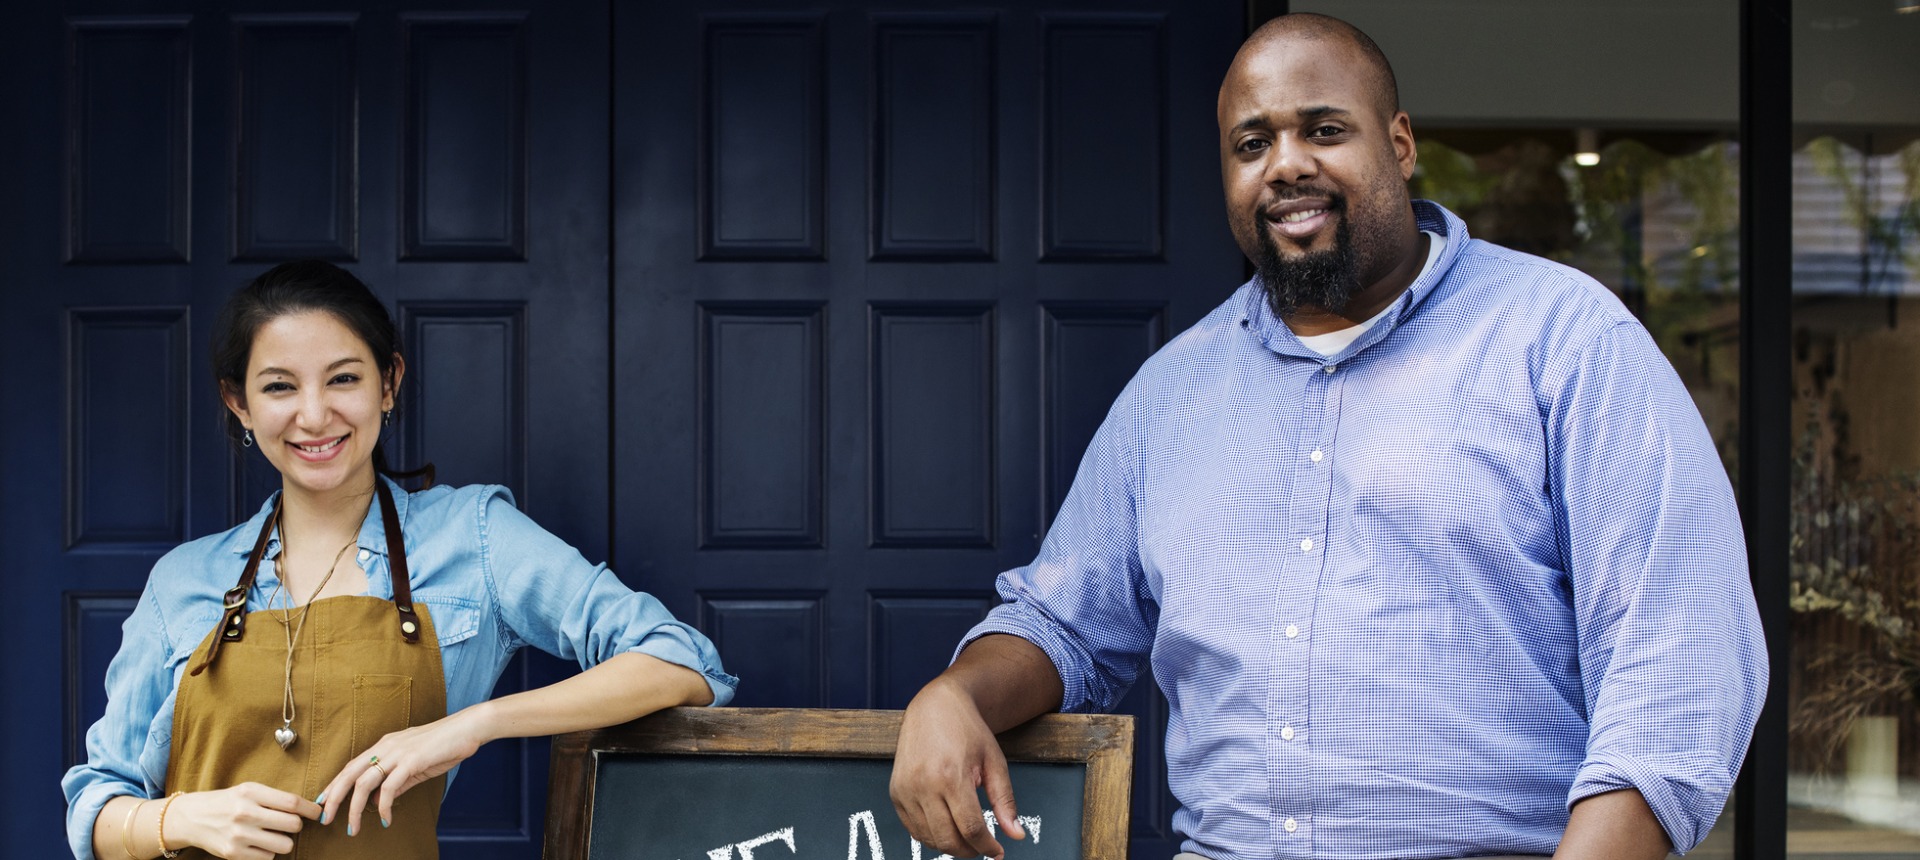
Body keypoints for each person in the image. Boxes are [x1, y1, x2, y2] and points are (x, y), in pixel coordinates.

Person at [888, 13, 1766, 860]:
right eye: (1251, 143)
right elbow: (1066, 626)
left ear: (1401, 143)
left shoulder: (1562, 342)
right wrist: (954, 695)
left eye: (1323, 129)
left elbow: (1677, 664)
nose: (1286, 166)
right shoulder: (1172, 394)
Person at [63, 261, 737, 860]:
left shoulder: (471, 538)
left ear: (389, 383)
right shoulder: (184, 580)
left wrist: (472, 727)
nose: (315, 414)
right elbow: (95, 806)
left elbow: (683, 662)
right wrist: (178, 817)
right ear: (238, 402)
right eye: (279, 387)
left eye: (344, 378)